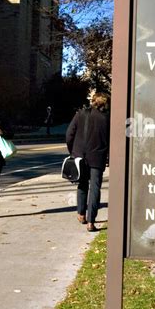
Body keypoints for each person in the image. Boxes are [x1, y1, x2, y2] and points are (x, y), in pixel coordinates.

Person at [65, 92, 110, 232]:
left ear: (93, 101)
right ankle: (91, 221)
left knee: (82, 184)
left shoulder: (81, 114)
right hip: (98, 156)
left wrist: (72, 151)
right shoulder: (107, 118)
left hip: (80, 156)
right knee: (95, 188)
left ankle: (81, 213)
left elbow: (69, 134)